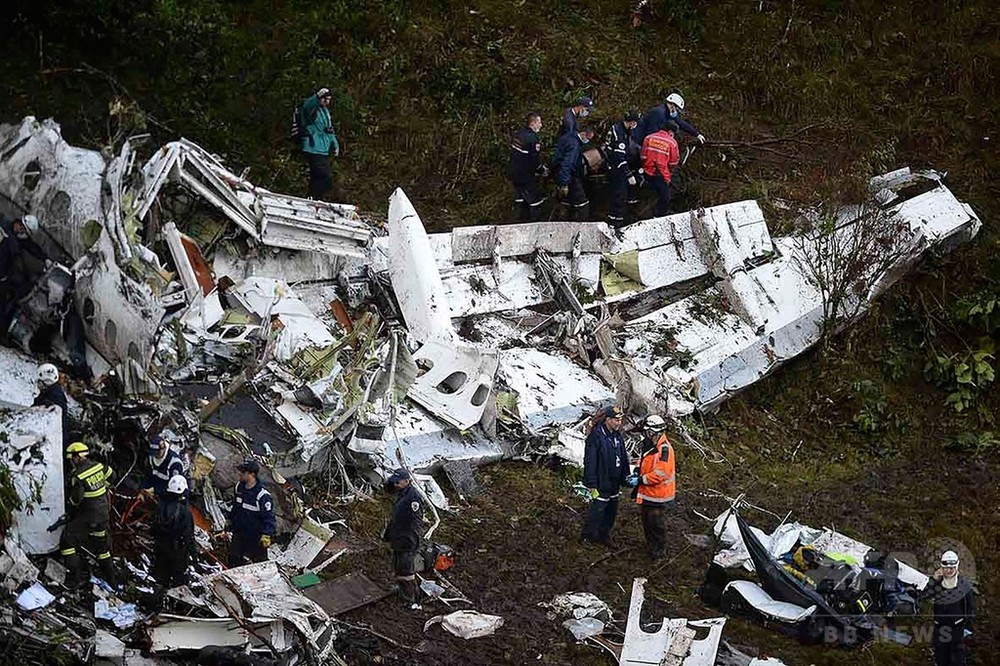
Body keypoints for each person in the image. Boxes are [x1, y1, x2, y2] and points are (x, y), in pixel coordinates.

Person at [60, 442, 116, 587]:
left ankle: (76, 577)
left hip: (88, 516)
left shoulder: (77, 476)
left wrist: (70, 510)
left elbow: (77, 499)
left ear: (77, 456)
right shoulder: (99, 466)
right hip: (103, 515)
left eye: (72, 459)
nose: (71, 462)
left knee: (67, 540)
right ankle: (112, 580)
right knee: (102, 547)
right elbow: (113, 475)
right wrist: (104, 487)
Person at [581, 405, 630, 545]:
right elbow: (590, 460)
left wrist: (625, 476)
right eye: (616, 420)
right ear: (608, 420)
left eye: (620, 420)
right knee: (598, 509)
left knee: (611, 510)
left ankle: (604, 534)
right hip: (602, 480)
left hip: (615, 481)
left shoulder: (617, 435)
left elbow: (623, 456)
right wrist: (591, 482)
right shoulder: (596, 436)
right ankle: (587, 536)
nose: (619, 423)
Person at [921, 550, 975, 666]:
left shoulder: (963, 585)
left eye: (952, 568)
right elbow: (925, 596)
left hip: (957, 630)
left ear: (956, 567)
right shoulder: (937, 583)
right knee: (941, 661)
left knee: (958, 661)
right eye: (946, 568)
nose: (949, 571)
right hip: (940, 630)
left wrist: (968, 629)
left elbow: (969, 608)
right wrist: (933, 580)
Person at [633, 414, 676, 560]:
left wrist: (640, 479)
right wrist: (637, 470)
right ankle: (651, 547)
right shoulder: (650, 446)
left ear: (653, 432)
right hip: (648, 494)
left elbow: (660, 474)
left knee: (656, 526)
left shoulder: (664, 450)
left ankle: (658, 554)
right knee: (647, 523)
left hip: (659, 496)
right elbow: (645, 461)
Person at [382, 469, 425, 608]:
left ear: (407, 481)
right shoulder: (402, 493)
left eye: (398, 481)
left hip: (407, 538)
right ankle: (402, 590)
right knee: (398, 566)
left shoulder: (413, 498)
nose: (396, 483)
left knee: (406, 569)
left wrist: (411, 540)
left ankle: (410, 598)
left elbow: (415, 522)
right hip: (398, 536)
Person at [0, 214, 46, 337]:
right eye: (24, 231)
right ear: (20, 226)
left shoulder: (14, 233)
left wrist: (45, 258)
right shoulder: (7, 237)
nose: (24, 234)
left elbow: (30, 245)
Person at [227, 459, 276, 567]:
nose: (240, 474)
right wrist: (229, 521)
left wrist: (267, 534)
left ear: (252, 474)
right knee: (233, 560)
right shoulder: (239, 487)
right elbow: (236, 507)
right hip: (239, 534)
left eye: (243, 472)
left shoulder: (262, 496)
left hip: (255, 537)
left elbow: (269, 517)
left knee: (260, 565)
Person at [151, 474, 196, 588]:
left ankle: (158, 599)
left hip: (160, 548)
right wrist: (192, 553)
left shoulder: (161, 506)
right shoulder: (185, 512)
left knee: (160, 579)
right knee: (179, 582)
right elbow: (188, 535)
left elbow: (154, 528)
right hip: (178, 552)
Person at [300, 87, 341, 200]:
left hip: (323, 148)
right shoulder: (312, 110)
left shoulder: (325, 111)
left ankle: (312, 198)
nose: (327, 102)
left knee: (317, 176)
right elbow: (307, 106)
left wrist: (335, 143)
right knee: (325, 177)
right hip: (313, 147)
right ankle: (313, 197)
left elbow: (329, 130)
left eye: (329, 100)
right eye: (325, 99)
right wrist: (317, 97)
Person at [604, 110, 641, 226]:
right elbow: (619, 157)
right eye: (634, 124)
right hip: (616, 168)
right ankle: (615, 223)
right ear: (631, 122)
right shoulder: (620, 133)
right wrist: (629, 175)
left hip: (615, 164)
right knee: (619, 196)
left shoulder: (619, 128)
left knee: (622, 195)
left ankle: (624, 218)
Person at [508, 112, 548, 222]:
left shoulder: (518, 134)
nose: (541, 125)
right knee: (535, 200)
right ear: (533, 123)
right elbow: (533, 159)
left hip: (513, 173)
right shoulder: (532, 138)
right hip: (525, 175)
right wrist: (541, 169)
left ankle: (518, 222)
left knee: (520, 199)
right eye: (539, 122)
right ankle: (536, 224)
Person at [551, 125, 596, 220]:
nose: (588, 141)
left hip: (559, 173)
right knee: (582, 203)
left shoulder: (568, 137)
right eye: (588, 138)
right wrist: (564, 183)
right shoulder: (574, 145)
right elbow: (567, 164)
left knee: (566, 201)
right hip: (569, 176)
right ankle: (582, 224)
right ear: (583, 134)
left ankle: (563, 221)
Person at [641, 120, 680, 216]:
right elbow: (673, 162)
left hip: (646, 173)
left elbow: (643, 156)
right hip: (661, 175)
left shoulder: (649, 138)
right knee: (665, 197)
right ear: (671, 132)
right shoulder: (672, 143)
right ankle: (658, 216)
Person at [636, 92, 707, 144]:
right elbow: (652, 133)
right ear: (672, 105)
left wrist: (696, 134)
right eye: (677, 109)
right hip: (638, 141)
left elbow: (681, 123)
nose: (676, 112)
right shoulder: (659, 113)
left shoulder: (666, 112)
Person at [141, 435, 185, 500]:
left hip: (170, 495)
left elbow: (174, 487)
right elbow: (148, 474)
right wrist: (143, 489)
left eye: (157, 453)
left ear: (163, 449)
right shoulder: (152, 457)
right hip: (154, 490)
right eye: (153, 453)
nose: (155, 456)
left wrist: (155, 490)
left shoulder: (174, 463)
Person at [34, 363, 69, 438]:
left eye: (40, 382)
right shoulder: (49, 393)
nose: (38, 385)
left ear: (47, 381)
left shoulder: (53, 397)